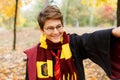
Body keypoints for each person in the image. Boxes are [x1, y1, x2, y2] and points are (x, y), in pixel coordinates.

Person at [24, 5, 120, 80]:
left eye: (59, 26)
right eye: (50, 28)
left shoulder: (73, 44)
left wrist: (113, 32)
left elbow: (93, 39)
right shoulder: (34, 54)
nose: (56, 32)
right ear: (42, 30)